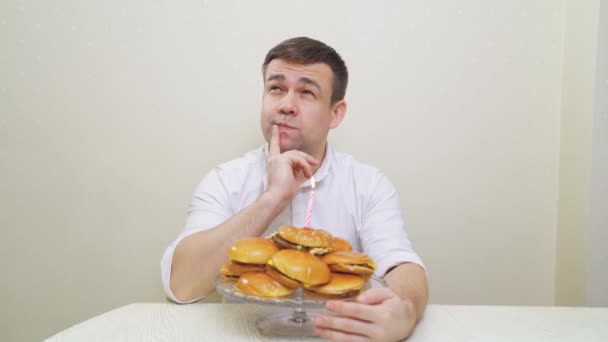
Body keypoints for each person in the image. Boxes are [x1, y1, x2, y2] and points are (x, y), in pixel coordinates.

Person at [161, 36, 428, 341]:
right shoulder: (225, 180)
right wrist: (273, 198)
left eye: (306, 92)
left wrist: (406, 311)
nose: (286, 105)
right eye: (276, 88)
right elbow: (180, 285)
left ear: (335, 113)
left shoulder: (367, 184)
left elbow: (402, 266)